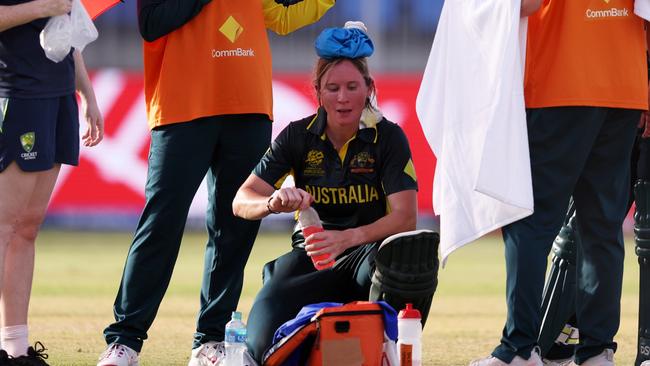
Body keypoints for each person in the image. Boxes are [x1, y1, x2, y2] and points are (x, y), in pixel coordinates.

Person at [96, 1, 336, 365]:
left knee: (233, 228)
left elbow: (282, 17)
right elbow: (152, 22)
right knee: (161, 223)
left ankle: (211, 342)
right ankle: (125, 341)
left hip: (248, 105)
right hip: (182, 106)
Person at [232, 22, 437, 363]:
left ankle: (392, 351)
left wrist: (346, 239)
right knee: (258, 344)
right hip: (311, 255)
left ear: (369, 89)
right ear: (318, 92)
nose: (343, 98)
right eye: (333, 88)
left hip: (366, 255)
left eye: (352, 87)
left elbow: (406, 216)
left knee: (411, 252)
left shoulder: (388, 137)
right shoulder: (296, 136)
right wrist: (272, 202)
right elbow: (241, 200)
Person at [470, 0, 648, 365]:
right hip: (624, 85)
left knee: (530, 220)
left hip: (560, 83)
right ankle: (597, 350)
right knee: (602, 227)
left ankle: (519, 349)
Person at [0, 0, 104, 365]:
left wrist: (87, 94)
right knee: (3, 225)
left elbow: (68, 33)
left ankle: (16, 348)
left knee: (28, 227)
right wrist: (43, 6)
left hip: (58, 98)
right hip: (16, 94)